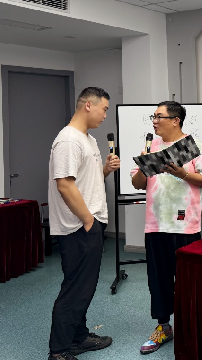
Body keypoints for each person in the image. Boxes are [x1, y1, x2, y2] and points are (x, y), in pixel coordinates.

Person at [131, 101, 202, 355]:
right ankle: (163, 327)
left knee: (188, 280)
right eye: (153, 116)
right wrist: (144, 164)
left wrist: (182, 174)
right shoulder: (152, 147)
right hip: (156, 223)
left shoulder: (193, 146)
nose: (154, 121)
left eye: (159, 116)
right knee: (158, 279)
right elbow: (137, 184)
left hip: (185, 225)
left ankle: (191, 326)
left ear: (175, 120)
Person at [48, 87, 120, 360]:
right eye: (104, 109)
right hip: (78, 226)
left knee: (83, 287)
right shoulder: (69, 140)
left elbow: (84, 180)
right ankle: (59, 351)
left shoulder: (87, 139)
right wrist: (88, 220)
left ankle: (78, 337)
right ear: (88, 105)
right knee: (76, 289)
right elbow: (65, 185)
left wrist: (105, 170)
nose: (105, 115)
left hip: (88, 223)